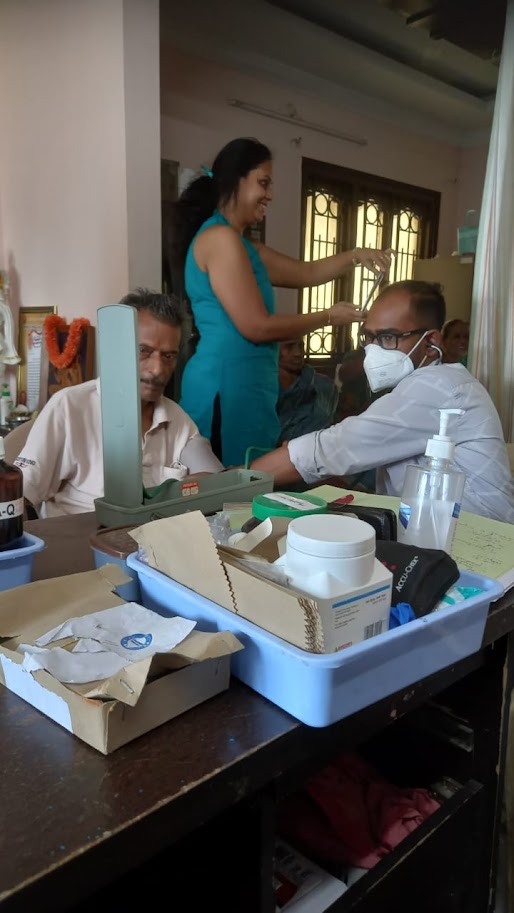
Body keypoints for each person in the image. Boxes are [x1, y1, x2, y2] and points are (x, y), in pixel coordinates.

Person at [170, 136, 392, 466]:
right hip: (225, 387)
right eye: (264, 182)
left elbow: (306, 272)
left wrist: (357, 256)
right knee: (223, 490)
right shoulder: (220, 239)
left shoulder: (244, 246)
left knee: (244, 483)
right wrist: (328, 317)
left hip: (248, 385)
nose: (270, 194)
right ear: (236, 180)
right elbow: (257, 327)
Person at [250, 280, 514, 523]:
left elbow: (334, 446)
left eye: (388, 337)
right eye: (369, 337)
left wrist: (235, 478)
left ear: (430, 342)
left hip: (484, 539)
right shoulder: (423, 385)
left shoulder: (438, 386)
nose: (373, 350)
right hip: (442, 531)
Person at [14, 289, 224, 517]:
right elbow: (19, 496)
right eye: (144, 351)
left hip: (148, 545)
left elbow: (216, 481)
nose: (157, 369)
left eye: (168, 356)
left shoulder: (177, 419)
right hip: (77, 543)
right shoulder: (69, 407)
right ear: (117, 346)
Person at [277, 338, 338, 443]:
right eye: (289, 347)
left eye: (301, 346)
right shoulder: (262, 388)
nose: (298, 353)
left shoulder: (324, 387)